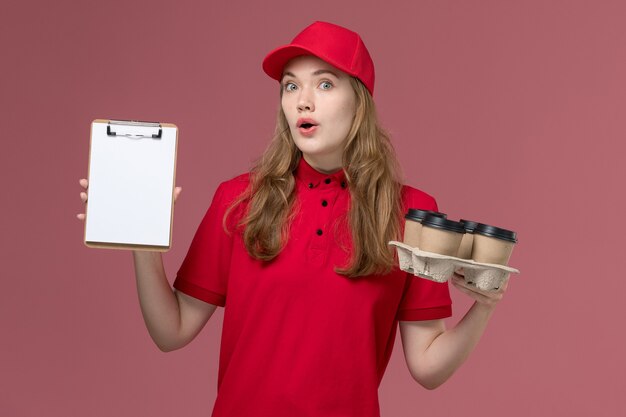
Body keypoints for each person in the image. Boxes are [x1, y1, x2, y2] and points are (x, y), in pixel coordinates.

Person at [77, 21, 508, 417]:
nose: (303, 100)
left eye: (324, 83)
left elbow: (428, 367)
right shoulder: (238, 200)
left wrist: (484, 307)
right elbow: (171, 332)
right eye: (290, 86)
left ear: (359, 99)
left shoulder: (413, 214)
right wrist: (142, 238)